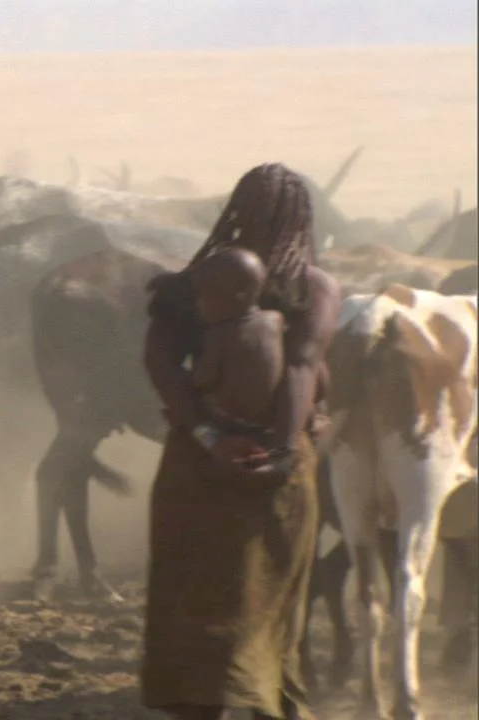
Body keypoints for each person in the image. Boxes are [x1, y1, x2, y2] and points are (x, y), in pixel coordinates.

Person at [140, 163, 341, 720]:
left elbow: (160, 363)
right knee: (272, 604)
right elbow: (302, 367)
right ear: (304, 219)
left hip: (196, 463)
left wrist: (207, 436)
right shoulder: (313, 286)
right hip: (275, 467)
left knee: (187, 598)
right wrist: (277, 450)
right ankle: (270, 705)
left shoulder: (195, 283)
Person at [189, 246, 291, 476]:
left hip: (232, 421)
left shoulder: (219, 335)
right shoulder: (276, 320)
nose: (199, 305)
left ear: (238, 295)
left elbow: (203, 379)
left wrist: (190, 379)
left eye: (205, 296)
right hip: (268, 420)